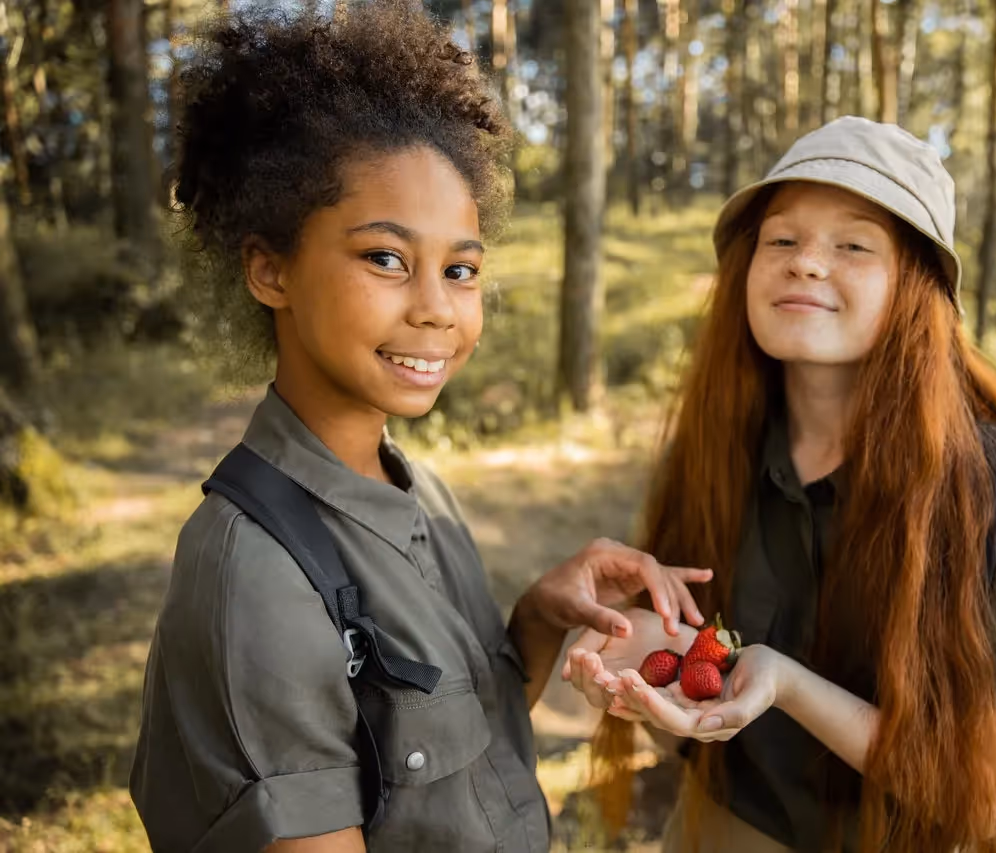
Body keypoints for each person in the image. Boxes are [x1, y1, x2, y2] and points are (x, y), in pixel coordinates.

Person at [128, 6, 710, 851]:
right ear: (270, 268)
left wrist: (542, 617)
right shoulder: (256, 573)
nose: (438, 308)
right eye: (386, 259)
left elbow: (453, 753)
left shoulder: (415, 487)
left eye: (462, 268)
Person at [564, 116, 996, 852]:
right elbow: (698, 653)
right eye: (781, 239)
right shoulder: (719, 445)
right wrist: (643, 653)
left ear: (916, 286)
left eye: (854, 244)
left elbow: (987, 792)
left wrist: (789, 683)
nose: (806, 262)